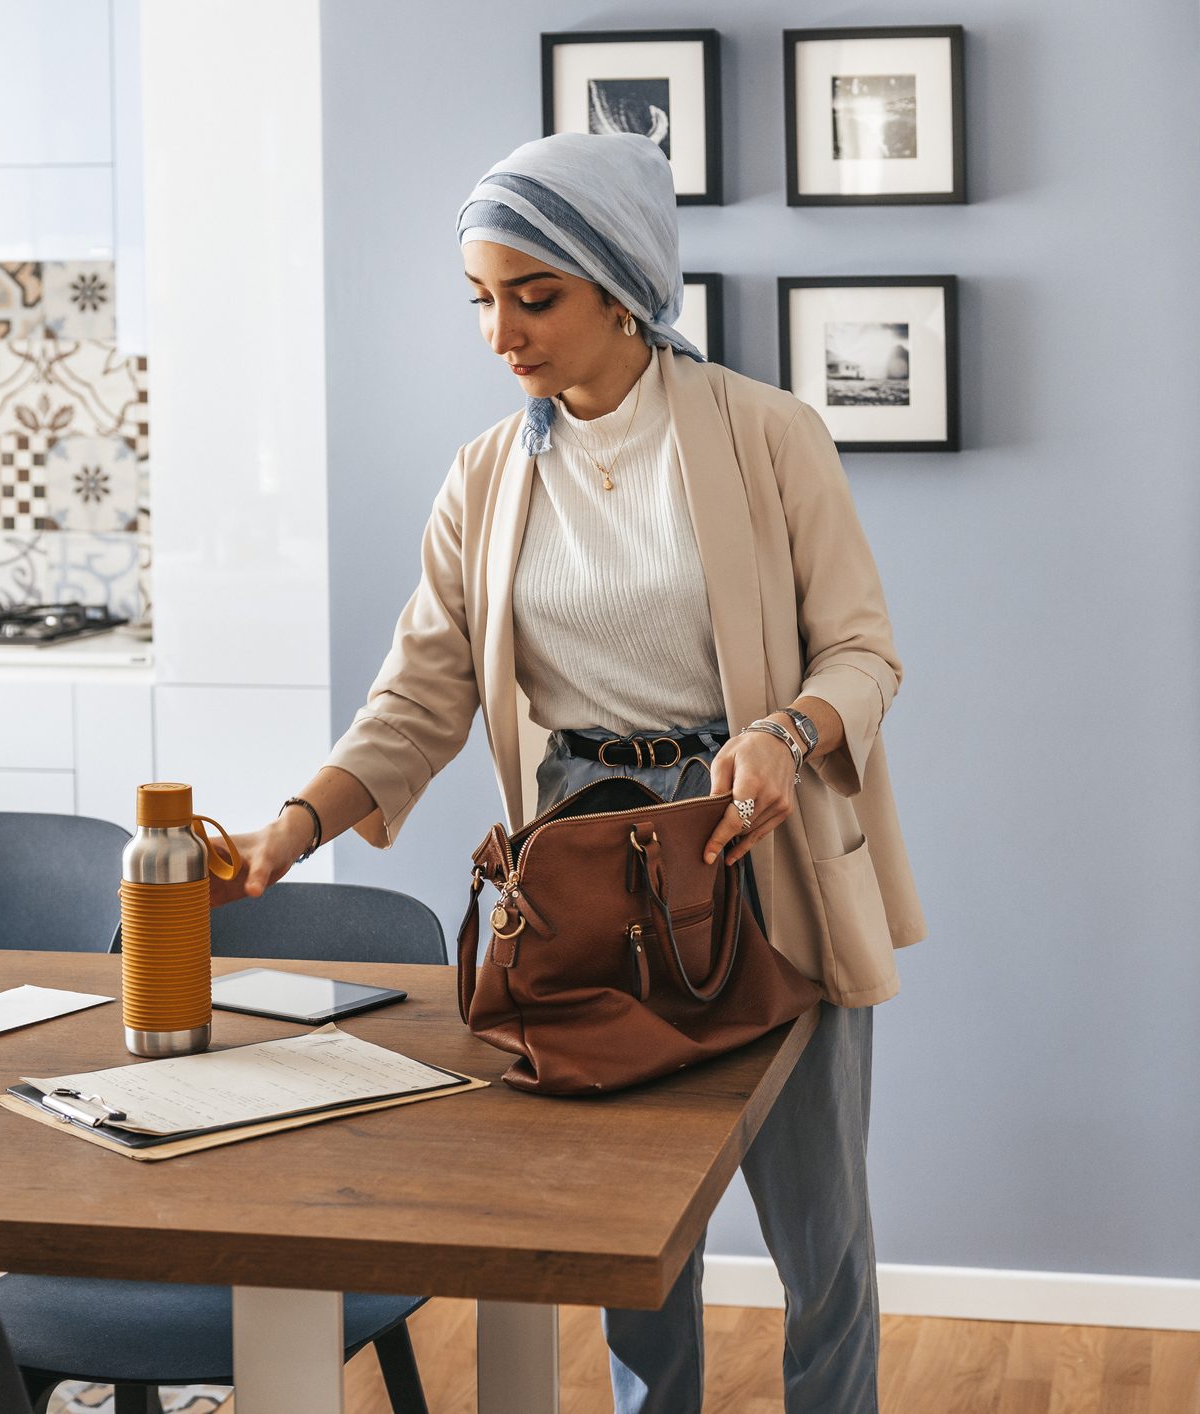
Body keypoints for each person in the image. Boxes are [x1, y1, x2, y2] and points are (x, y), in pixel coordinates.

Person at [216, 131, 925, 1413]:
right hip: (583, 864)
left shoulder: (765, 435)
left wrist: (788, 734)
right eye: (482, 300)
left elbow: (864, 652)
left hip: (754, 850)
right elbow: (420, 690)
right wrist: (292, 828)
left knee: (817, 1232)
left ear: (622, 289)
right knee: (623, 1232)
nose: (501, 335)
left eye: (532, 298)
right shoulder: (486, 476)